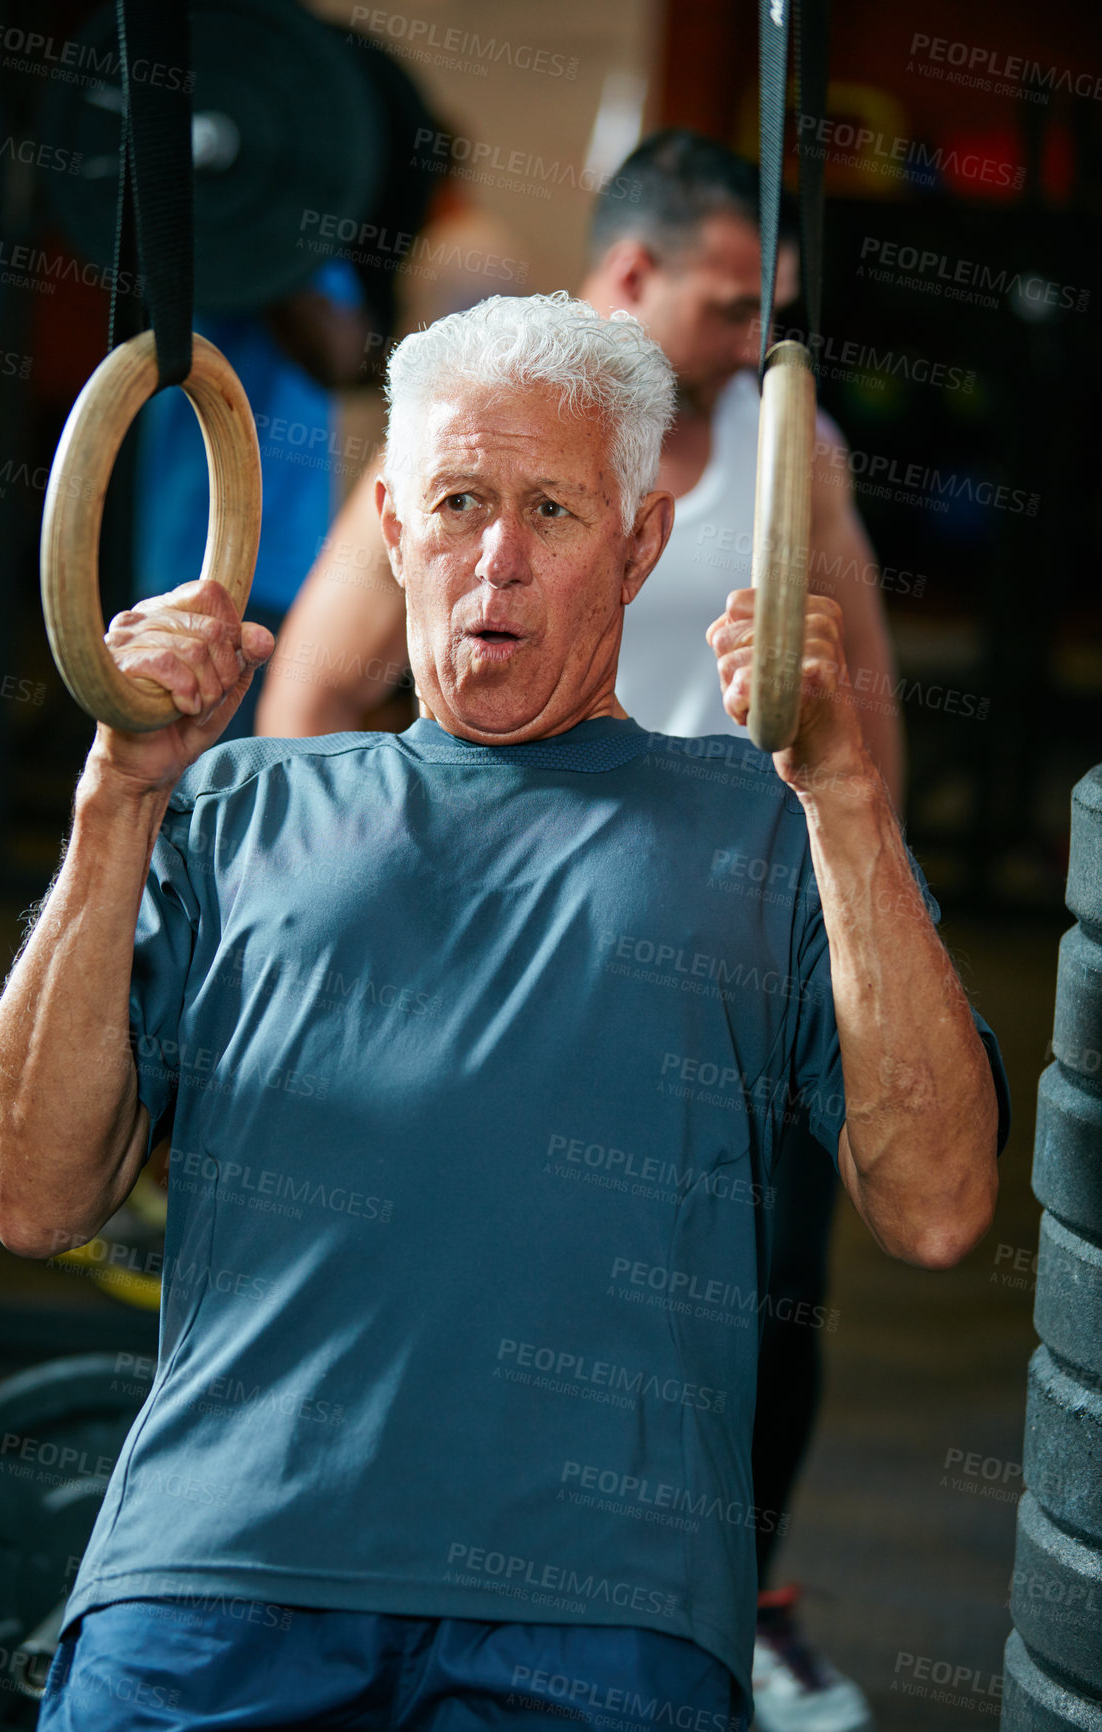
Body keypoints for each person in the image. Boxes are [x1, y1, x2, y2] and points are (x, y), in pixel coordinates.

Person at [0, 293, 1005, 1732]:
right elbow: (32, 1196)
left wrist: (841, 800)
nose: (499, 562)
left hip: (596, 1607)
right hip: (213, 1578)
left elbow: (940, 1206)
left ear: (640, 543)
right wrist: (113, 796)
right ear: (392, 524)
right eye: (460, 502)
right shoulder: (228, 810)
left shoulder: (764, 837)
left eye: (555, 512)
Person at [254, 132, 903, 1729]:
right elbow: (320, 688)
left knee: (765, 1289)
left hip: (717, 934)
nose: (755, 340)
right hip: (491, 924)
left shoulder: (782, 448)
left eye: (777, 311)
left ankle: (734, 1601)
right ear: (630, 278)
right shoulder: (485, 437)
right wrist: (269, 928)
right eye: (731, 303)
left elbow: (865, 689)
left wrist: (858, 884)